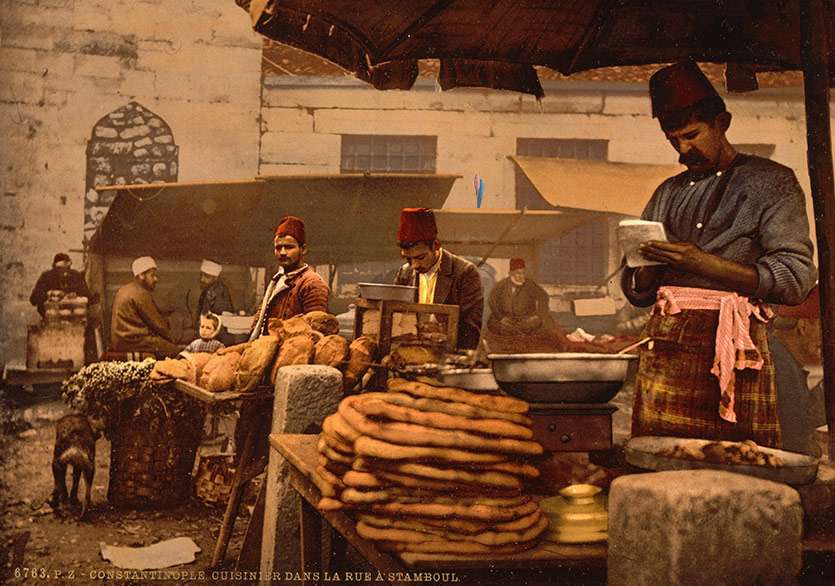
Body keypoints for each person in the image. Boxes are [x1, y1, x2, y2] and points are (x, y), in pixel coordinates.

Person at [621, 60, 818, 449]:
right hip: (670, 355)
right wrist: (644, 265)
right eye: (673, 140)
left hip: (743, 350)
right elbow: (637, 292)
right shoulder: (667, 193)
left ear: (721, 122)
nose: (683, 149)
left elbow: (796, 279)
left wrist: (701, 263)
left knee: (746, 460)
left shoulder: (770, 182)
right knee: (670, 458)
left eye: (692, 135)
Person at [394, 207, 484, 349]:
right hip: (412, 353)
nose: (414, 265)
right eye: (407, 258)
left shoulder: (465, 272)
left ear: (435, 245)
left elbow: (471, 330)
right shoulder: (404, 273)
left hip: (449, 357)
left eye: (420, 257)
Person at [249, 216, 330, 340]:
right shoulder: (277, 280)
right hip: (267, 348)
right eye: (278, 248)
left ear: (303, 249)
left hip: (293, 353)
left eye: (289, 247)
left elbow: (315, 333)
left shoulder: (313, 283)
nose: (282, 252)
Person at [110, 256, 181, 357]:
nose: (156, 279)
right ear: (142, 275)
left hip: (120, 340)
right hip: (130, 341)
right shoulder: (140, 293)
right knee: (172, 349)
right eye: (152, 275)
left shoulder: (125, 289)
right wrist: (172, 338)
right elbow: (157, 324)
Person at [487, 258, 552, 335]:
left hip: (525, 320)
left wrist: (538, 315)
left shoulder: (530, 285)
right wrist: (501, 318)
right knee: (492, 323)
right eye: (518, 273)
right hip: (506, 319)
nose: (521, 276)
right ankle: (517, 331)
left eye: (523, 273)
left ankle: (514, 331)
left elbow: (544, 297)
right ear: (510, 273)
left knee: (536, 323)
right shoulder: (501, 285)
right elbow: (492, 300)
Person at [30, 253, 94, 317]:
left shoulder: (76, 276)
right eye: (59, 269)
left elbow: (87, 297)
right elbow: (33, 299)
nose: (63, 273)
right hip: (51, 318)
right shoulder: (46, 277)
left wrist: (74, 296)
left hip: (75, 318)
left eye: (64, 269)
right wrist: (49, 294)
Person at [196, 259, 234, 328]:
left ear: (215, 278)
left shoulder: (219, 290)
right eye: (201, 275)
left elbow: (216, 313)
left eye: (206, 276)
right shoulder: (207, 290)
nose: (202, 279)